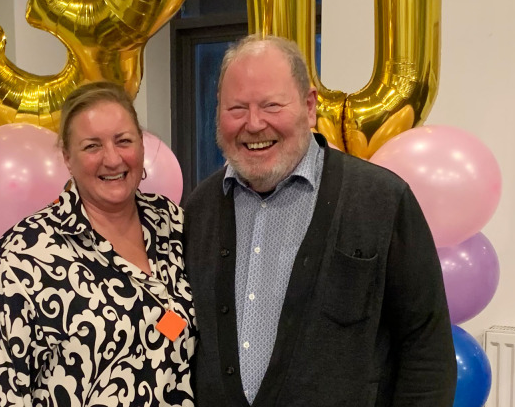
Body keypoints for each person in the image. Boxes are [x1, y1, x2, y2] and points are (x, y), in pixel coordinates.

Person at [182, 35, 456, 407]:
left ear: (309, 108)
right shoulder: (200, 209)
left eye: (272, 105)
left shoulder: (382, 200)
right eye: (236, 109)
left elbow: (426, 349)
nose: (254, 123)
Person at [0, 81, 196, 407]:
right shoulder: (25, 253)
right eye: (92, 146)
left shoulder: (174, 225)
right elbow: (0, 391)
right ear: (67, 156)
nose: (112, 159)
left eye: (124, 141)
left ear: (142, 146)